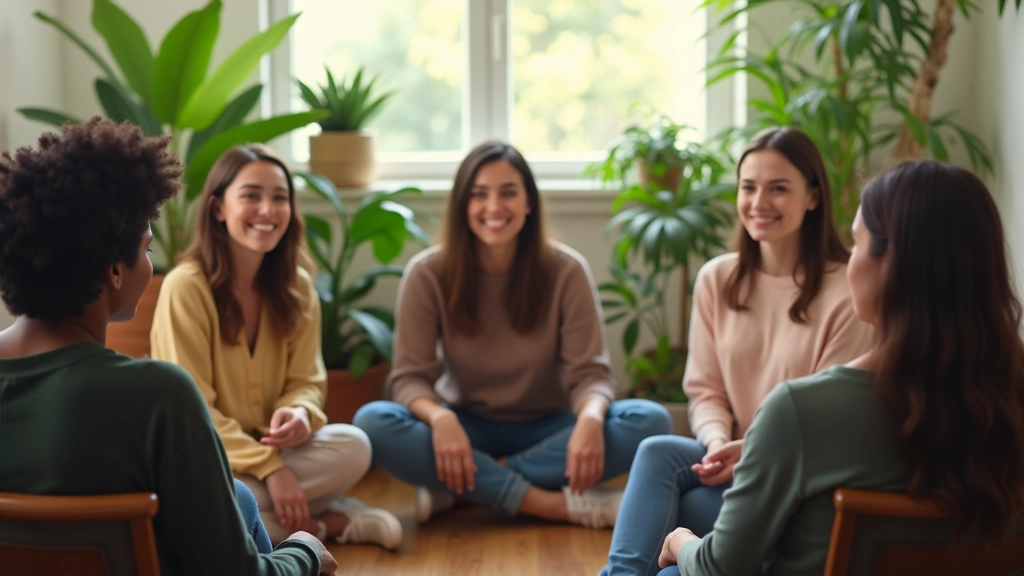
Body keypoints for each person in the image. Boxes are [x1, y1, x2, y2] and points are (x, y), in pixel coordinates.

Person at [0, 118, 336, 575]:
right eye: (148, 249)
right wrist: (306, 550)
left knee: (239, 495)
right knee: (240, 502)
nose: (151, 266)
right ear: (114, 271)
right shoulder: (158, 394)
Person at [656, 160, 1024, 575]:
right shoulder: (1009, 393)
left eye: (856, 243)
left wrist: (678, 541)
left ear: (891, 265)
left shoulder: (801, 410)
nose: (848, 261)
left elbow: (721, 570)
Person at [354, 140, 670, 528]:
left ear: (528, 202)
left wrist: (589, 420)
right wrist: (440, 419)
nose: (494, 207)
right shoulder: (427, 273)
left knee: (650, 420)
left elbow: (590, 375)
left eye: (508, 193)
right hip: (465, 427)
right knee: (374, 421)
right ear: (462, 204)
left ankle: (462, 491)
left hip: (550, 428)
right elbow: (409, 379)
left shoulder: (566, 270)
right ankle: (552, 505)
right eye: (479, 194)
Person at [600, 127, 874, 575]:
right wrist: (716, 446)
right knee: (656, 451)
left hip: (789, 475)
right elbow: (705, 390)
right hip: (730, 456)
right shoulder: (717, 278)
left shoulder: (847, 290)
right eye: (748, 187)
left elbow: (822, 418)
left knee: (679, 517)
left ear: (813, 196)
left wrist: (751, 454)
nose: (759, 202)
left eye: (778, 188)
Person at [150, 144, 402, 549]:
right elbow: (193, 412)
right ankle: (325, 524)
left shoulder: (297, 286)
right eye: (251, 195)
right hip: (206, 459)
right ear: (218, 208)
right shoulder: (186, 287)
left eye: (280, 198)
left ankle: (274, 521)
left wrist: (299, 411)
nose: (267, 210)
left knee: (355, 446)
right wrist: (271, 469)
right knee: (210, 502)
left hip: (273, 460)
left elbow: (307, 381)